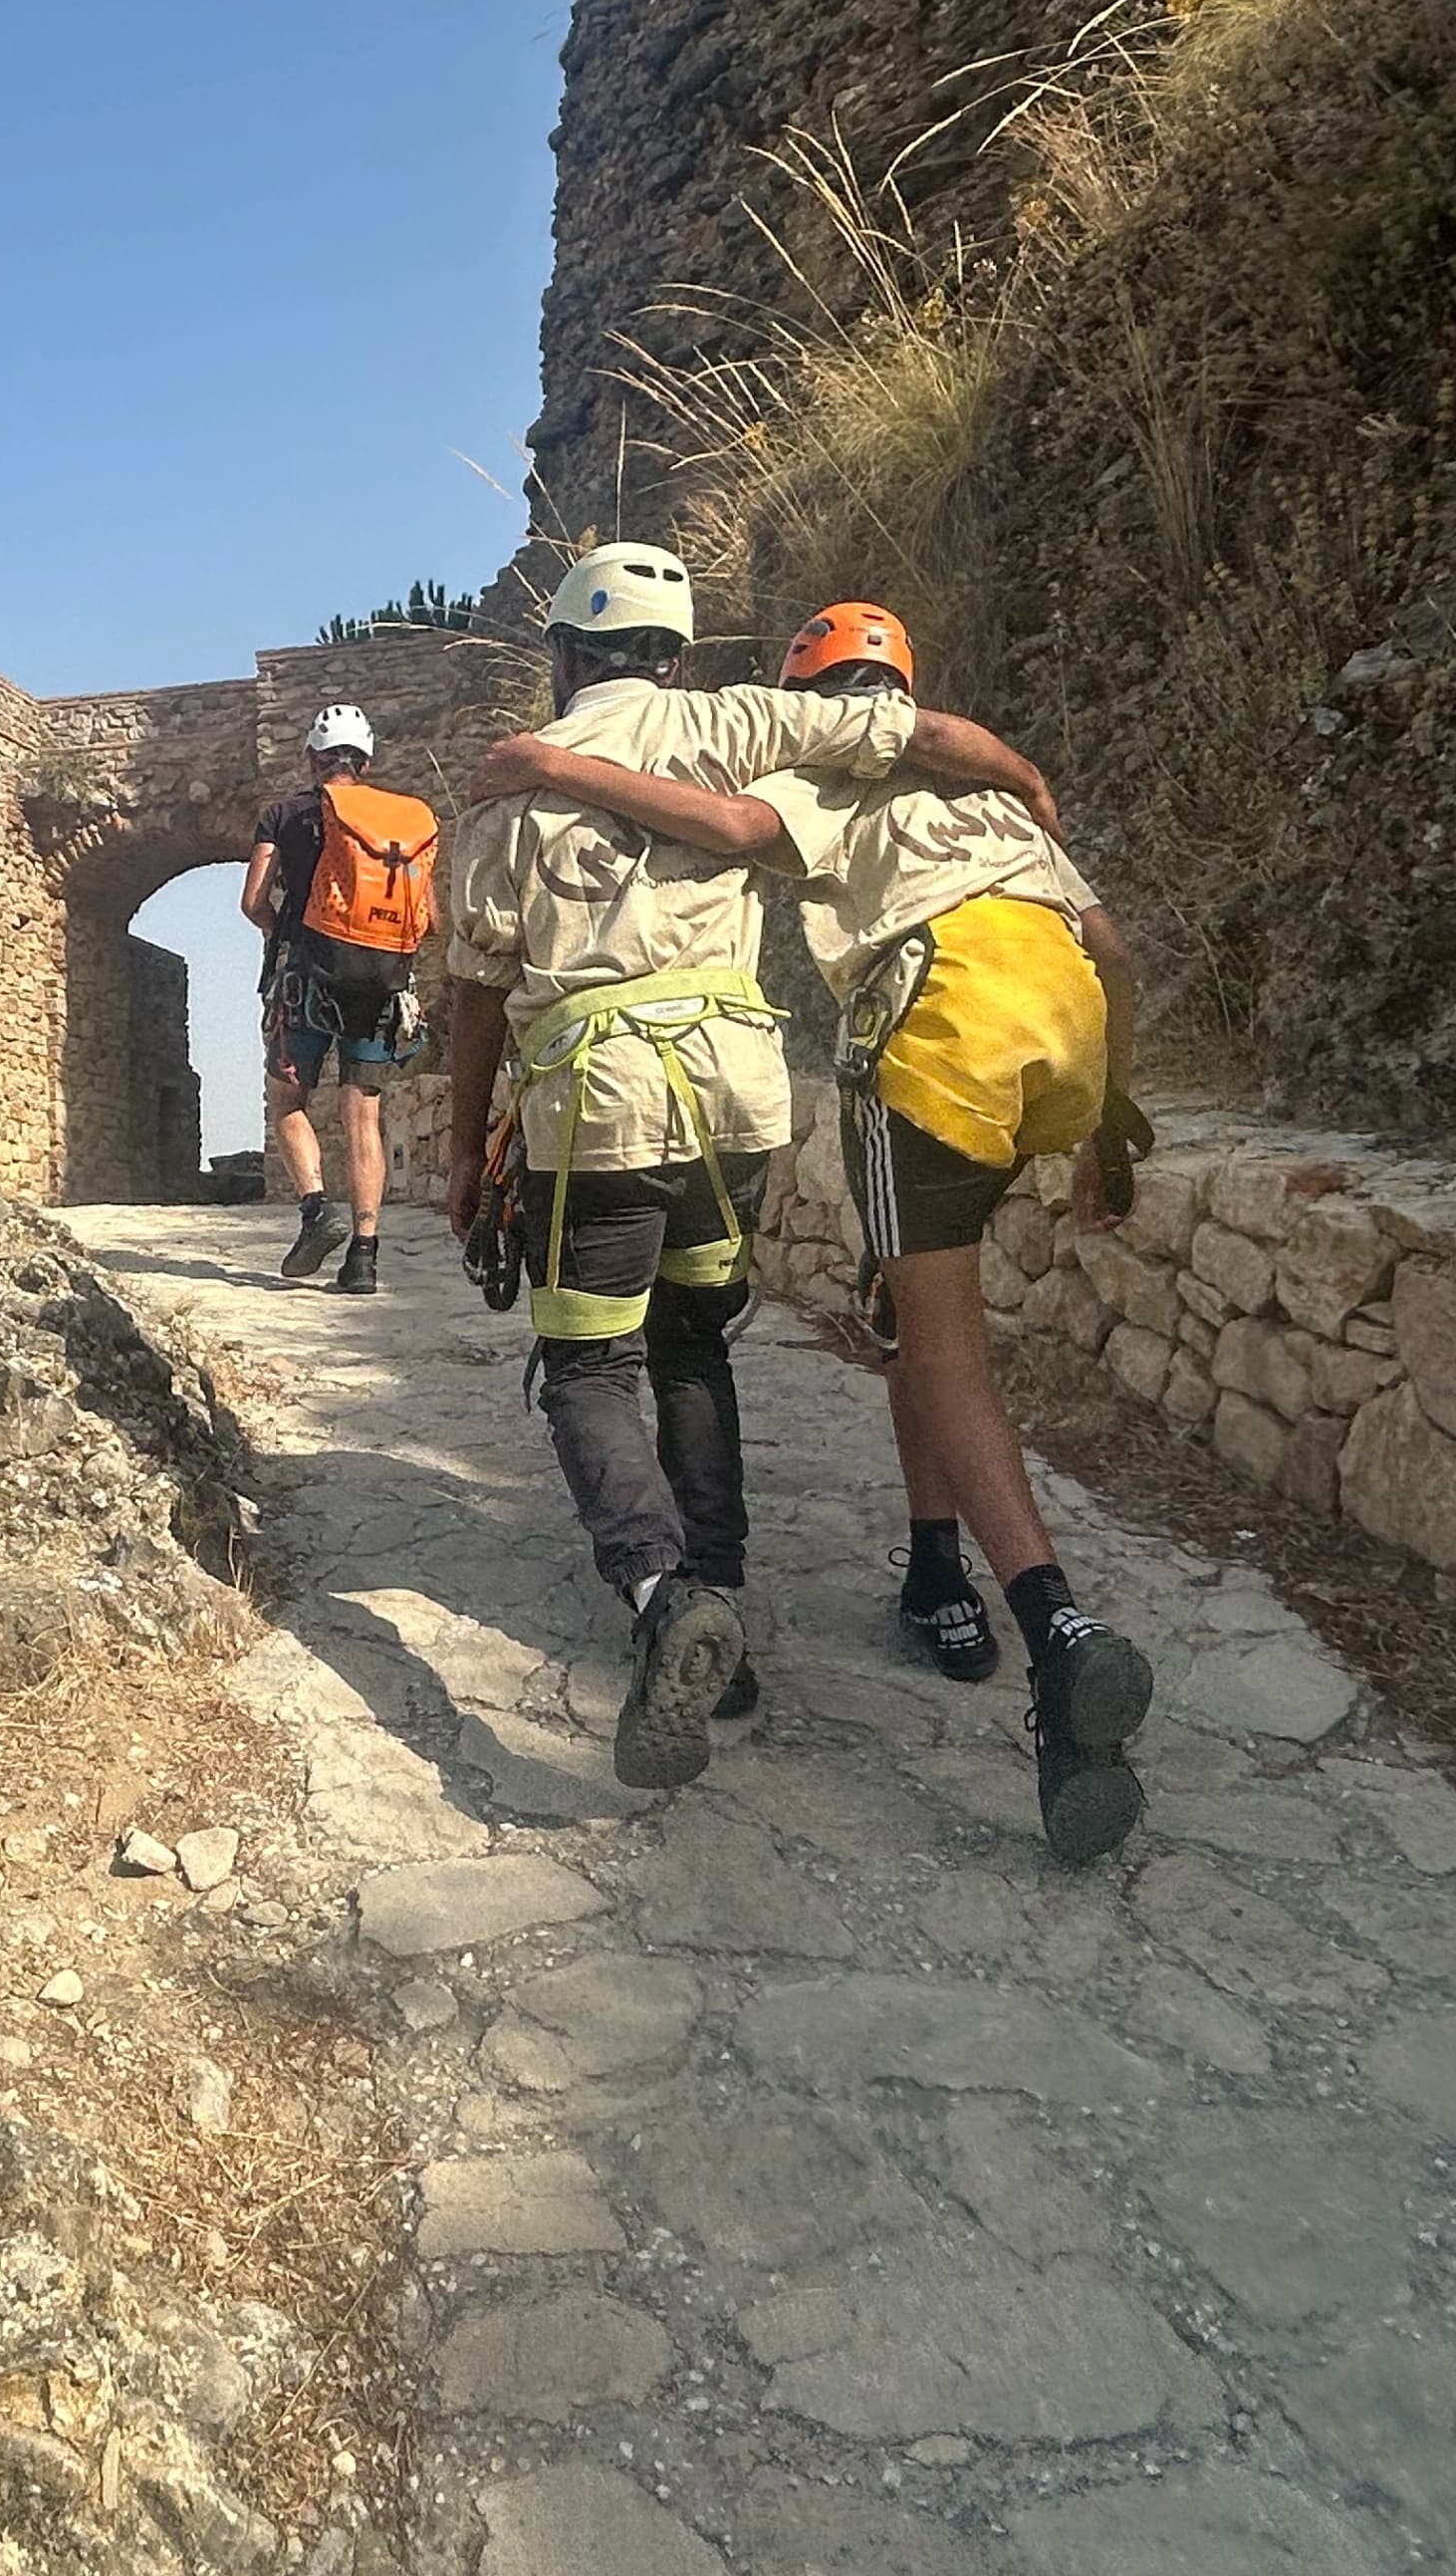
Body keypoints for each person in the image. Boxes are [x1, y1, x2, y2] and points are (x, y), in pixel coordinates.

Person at [466, 598, 1157, 1863]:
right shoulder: (990, 801)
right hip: (1057, 1025)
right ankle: (926, 1573)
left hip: (932, 1033)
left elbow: (729, 828)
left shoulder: (818, 769)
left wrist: (554, 763)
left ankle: (1046, 1624)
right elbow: (1110, 947)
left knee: (936, 1349)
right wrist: (1114, 1116)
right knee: (897, 1322)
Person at [244, 704, 436, 1295]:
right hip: (378, 979)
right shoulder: (400, 823)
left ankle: (314, 1210)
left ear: (312, 759)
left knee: (288, 1099)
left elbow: (253, 900)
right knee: (365, 1116)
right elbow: (427, 918)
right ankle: (364, 1258)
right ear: (368, 761)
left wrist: (287, 934)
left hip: (306, 975)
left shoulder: (285, 814)